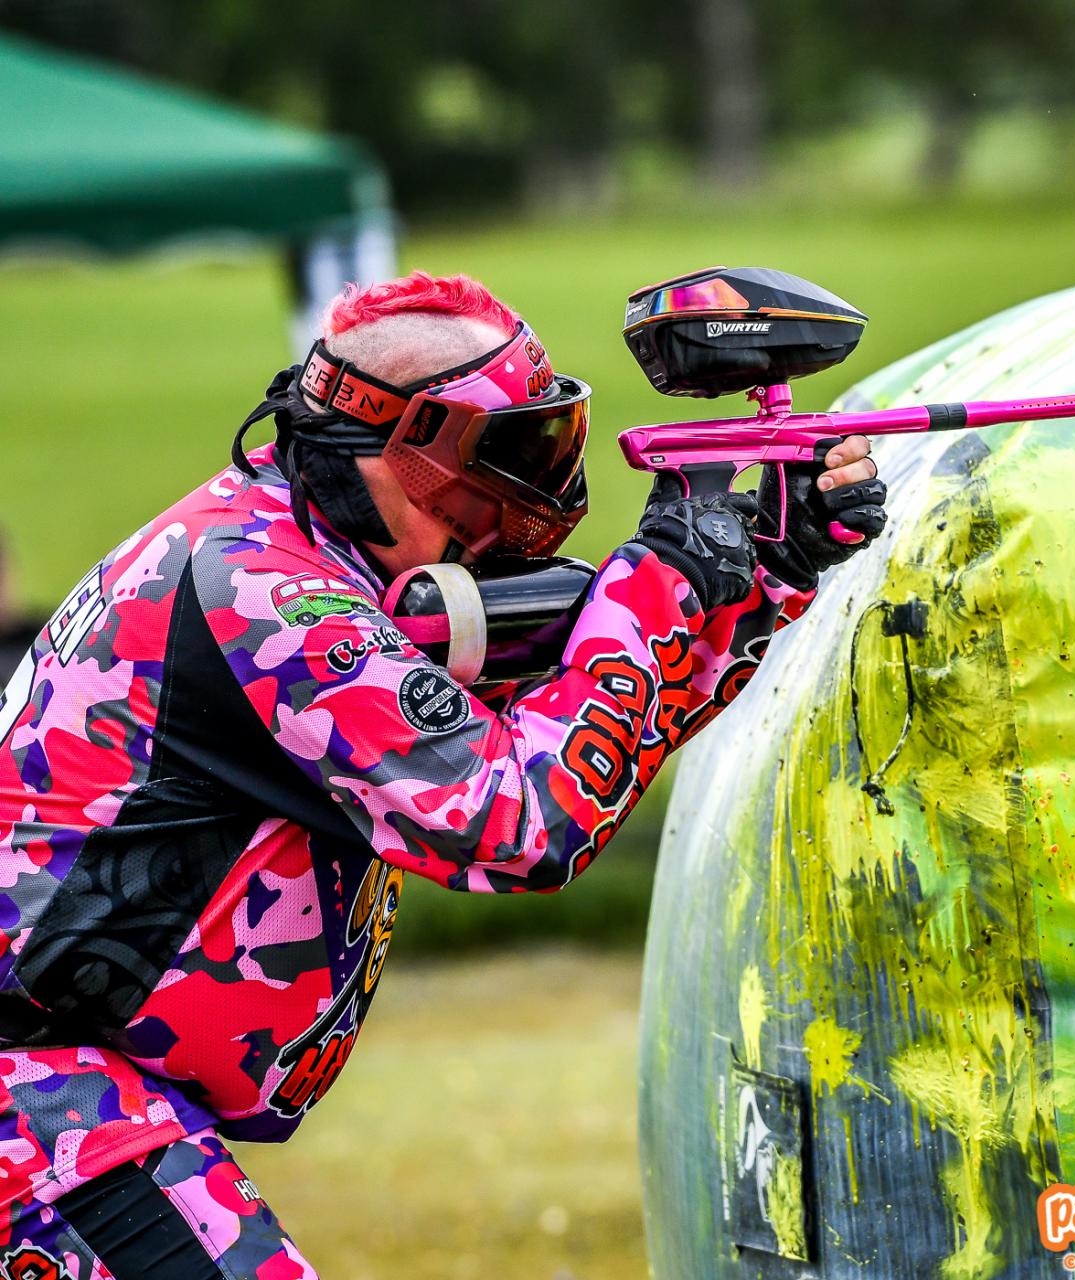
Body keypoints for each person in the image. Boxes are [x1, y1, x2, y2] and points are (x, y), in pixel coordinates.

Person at [0, 271, 886, 1278]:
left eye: (549, 445)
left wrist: (765, 572)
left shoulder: (286, 544)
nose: (527, 498)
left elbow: (583, 743)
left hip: (74, 1096)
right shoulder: (268, 594)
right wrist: (661, 583)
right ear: (401, 446)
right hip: (41, 1105)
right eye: (509, 455)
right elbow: (520, 821)